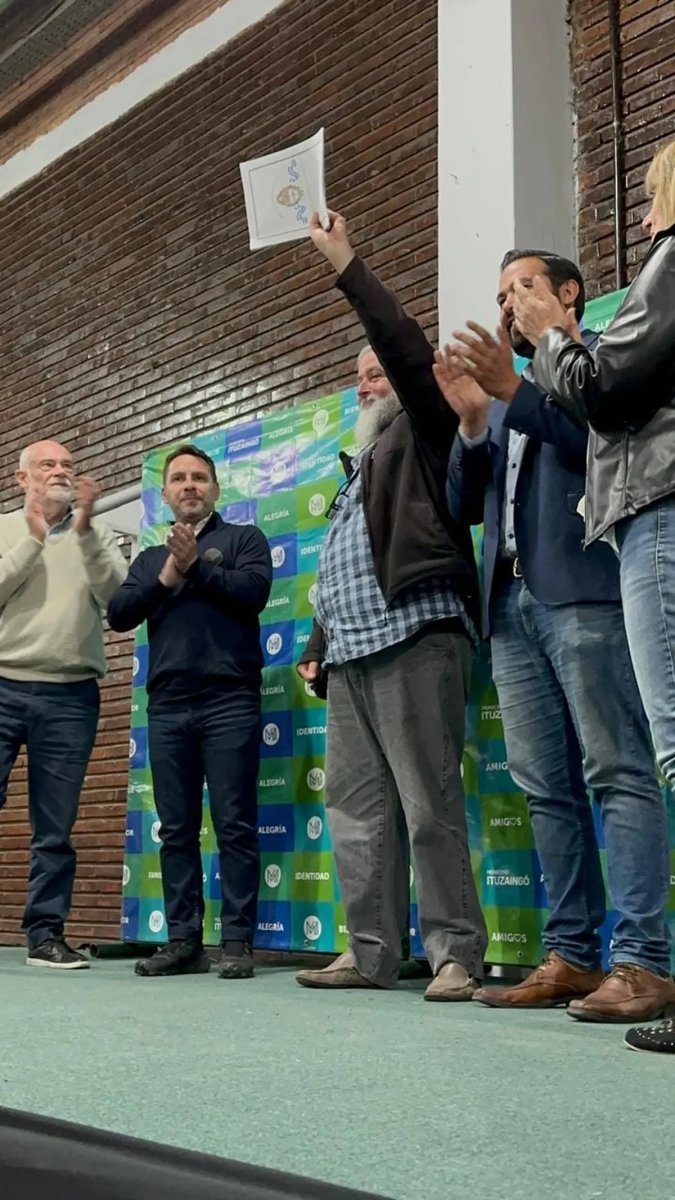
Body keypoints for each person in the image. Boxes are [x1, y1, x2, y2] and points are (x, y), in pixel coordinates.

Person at [437, 248, 674, 1024]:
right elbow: (466, 503)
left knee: (618, 770)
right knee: (544, 788)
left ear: (568, 293)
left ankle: (642, 959)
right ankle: (572, 954)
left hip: (583, 591)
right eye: (501, 292)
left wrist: (519, 386)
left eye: (524, 287)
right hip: (507, 604)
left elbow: (604, 449)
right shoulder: (507, 394)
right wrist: (476, 422)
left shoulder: (602, 357)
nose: (509, 302)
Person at [294, 210, 487, 1001]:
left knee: (428, 802)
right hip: (348, 658)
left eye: (380, 374)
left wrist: (347, 265)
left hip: (413, 636)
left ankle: (455, 954)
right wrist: (314, 641)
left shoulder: (428, 430)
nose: (371, 382)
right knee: (356, 809)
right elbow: (341, 565)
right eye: (362, 377)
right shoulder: (356, 468)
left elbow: (405, 347)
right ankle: (371, 951)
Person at [511, 140, 675, 1040]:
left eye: (649, 201)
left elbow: (605, 395)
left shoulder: (673, 255)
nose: (644, 221)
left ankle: (648, 958)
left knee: (665, 748)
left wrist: (549, 338)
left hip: (658, 512)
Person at [108, 445, 272, 979]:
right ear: (166, 495)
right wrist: (169, 575)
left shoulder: (243, 539)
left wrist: (196, 566)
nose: (190, 485)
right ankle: (183, 940)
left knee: (234, 824)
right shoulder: (151, 559)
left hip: (230, 701)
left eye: (200, 477)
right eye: (179, 478)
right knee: (176, 829)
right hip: (169, 706)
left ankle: (238, 942)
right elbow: (119, 614)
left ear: (216, 489)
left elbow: (252, 593)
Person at [0, 440, 127, 969]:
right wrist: (31, 541)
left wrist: (87, 535)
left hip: (71, 695)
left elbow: (120, 600)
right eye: (48, 465)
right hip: (2, 683)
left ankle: (45, 935)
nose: (61, 472)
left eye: (69, 466)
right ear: (20, 477)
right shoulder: (5, 527)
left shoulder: (94, 534)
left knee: (55, 828)